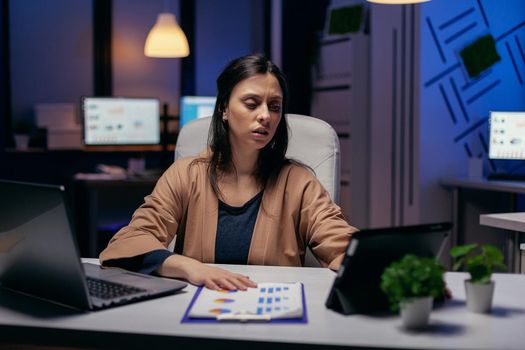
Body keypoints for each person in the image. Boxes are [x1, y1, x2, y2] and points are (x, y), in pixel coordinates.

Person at [99, 54, 358, 291]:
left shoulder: (299, 182)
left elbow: (341, 243)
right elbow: (131, 240)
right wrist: (190, 267)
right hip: (194, 311)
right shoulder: (185, 174)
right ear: (224, 108)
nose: (265, 116)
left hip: (274, 313)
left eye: (275, 106)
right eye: (252, 103)